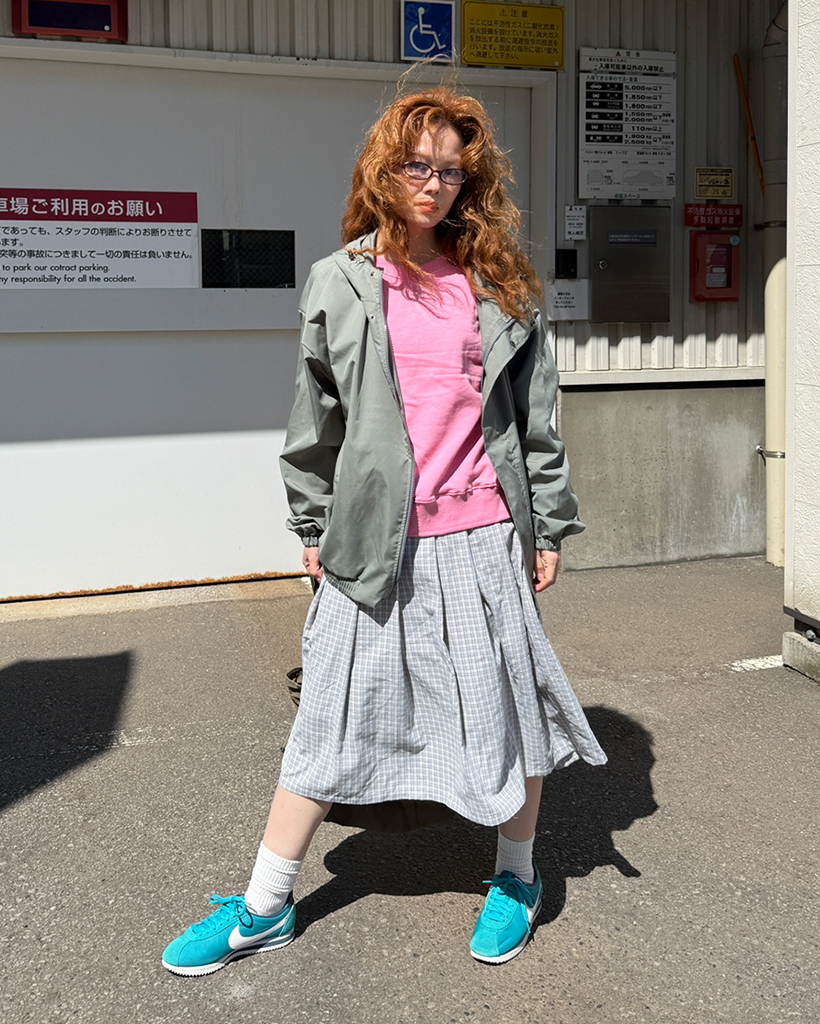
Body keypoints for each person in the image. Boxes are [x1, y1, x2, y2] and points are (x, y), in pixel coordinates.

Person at [162, 85, 606, 977]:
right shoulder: (342, 280)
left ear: (471, 183)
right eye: (417, 165)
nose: (434, 185)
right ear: (383, 168)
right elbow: (314, 420)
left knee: (508, 714)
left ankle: (516, 877)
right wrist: (312, 521)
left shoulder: (499, 284)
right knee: (329, 715)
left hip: (483, 534)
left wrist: (549, 527)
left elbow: (536, 424)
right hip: (374, 543)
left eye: (452, 171)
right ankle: (264, 904)